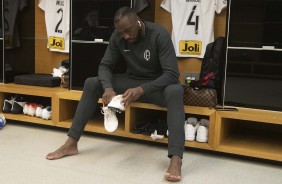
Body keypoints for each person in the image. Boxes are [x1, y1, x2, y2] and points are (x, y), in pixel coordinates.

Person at [46, 7, 185, 182]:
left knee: (175, 90)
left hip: (156, 86)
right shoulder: (118, 36)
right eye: (122, 32)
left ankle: (176, 158)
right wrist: (108, 88)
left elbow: (172, 75)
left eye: (128, 30)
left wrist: (142, 90)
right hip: (132, 81)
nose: (126, 36)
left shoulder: (159, 34)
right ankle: (71, 143)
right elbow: (105, 66)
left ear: (138, 21)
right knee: (92, 83)